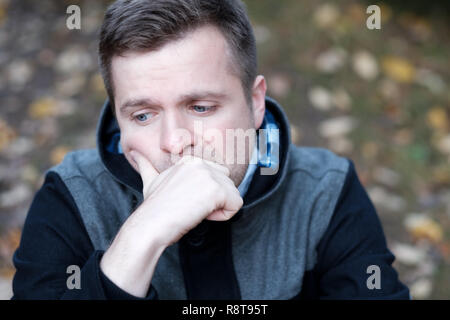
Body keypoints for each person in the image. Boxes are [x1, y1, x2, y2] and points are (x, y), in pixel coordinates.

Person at [12, 0, 410, 299]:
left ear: (255, 102)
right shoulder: (72, 199)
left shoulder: (326, 194)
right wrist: (139, 240)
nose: (175, 141)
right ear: (119, 117)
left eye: (200, 107)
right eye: (144, 116)